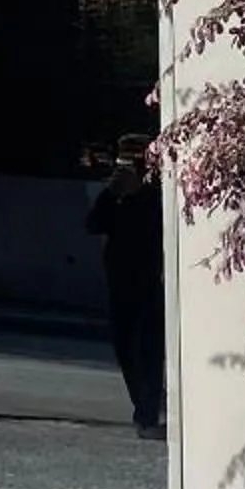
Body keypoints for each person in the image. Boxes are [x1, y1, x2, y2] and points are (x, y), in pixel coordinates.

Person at [88, 134, 166, 440]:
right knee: (126, 349)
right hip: (119, 280)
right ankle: (144, 408)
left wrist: (135, 194)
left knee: (148, 349)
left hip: (148, 279)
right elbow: (93, 224)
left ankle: (147, 414)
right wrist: (112, 194)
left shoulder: (154, 195)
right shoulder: (116, 195)